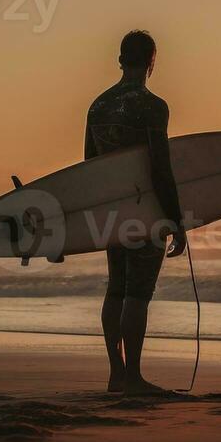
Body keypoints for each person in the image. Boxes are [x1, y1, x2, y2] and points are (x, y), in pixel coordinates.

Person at [85, 30, 188, 394]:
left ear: (119, 60)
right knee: (138, 293)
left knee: (116, 289)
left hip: (113, 211)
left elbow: (89, 167)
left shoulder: (97, 107)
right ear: (152, 61)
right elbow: (160, 168)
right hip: (145, 211)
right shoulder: (152, 107)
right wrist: (176, 220)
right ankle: (134, 377)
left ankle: (116, 373)